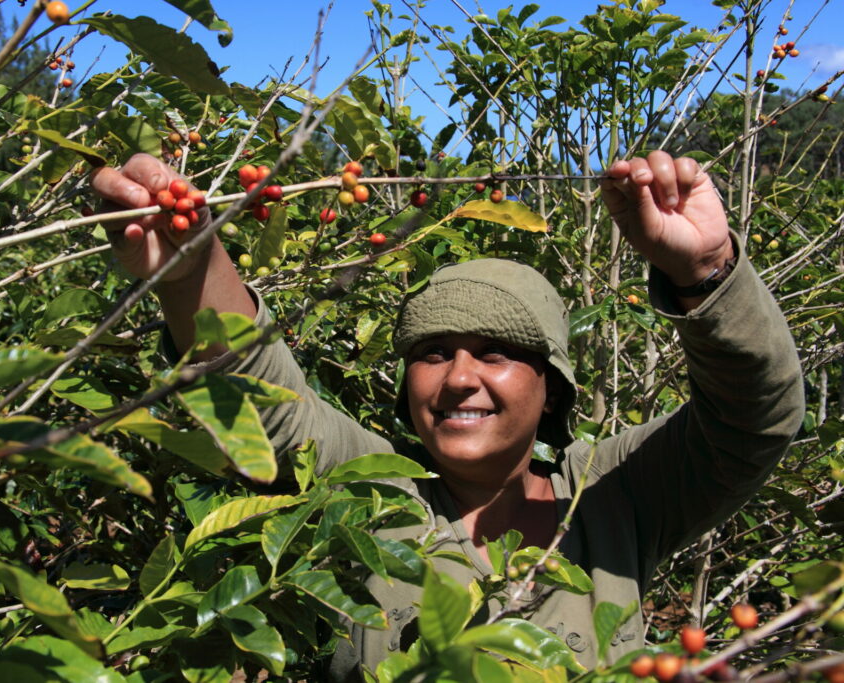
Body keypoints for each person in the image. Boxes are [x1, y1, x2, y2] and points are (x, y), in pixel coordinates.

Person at [90, 151, 804, 678]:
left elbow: (753, 416)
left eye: (495, 352)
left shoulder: (613, 497)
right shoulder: (372, 490)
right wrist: (193, 268)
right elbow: (261, 399)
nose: (460, 377)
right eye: (433, 351)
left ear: (550, 386)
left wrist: (706, 269)